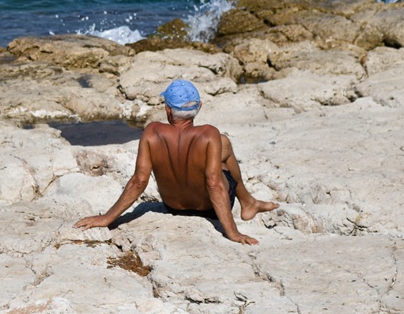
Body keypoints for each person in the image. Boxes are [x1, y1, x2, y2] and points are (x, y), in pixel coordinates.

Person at [75, 79, 278, 245]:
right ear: (199, 107)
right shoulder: (209, 134)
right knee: (224, 145)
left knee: (221, 147)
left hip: (173, 205)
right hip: (209, 208)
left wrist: (107, 218)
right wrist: (232, 232)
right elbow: (214, 184)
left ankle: (249, 202)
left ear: (168, 110)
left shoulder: (152, 132)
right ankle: (248, 202)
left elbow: (139, 181)